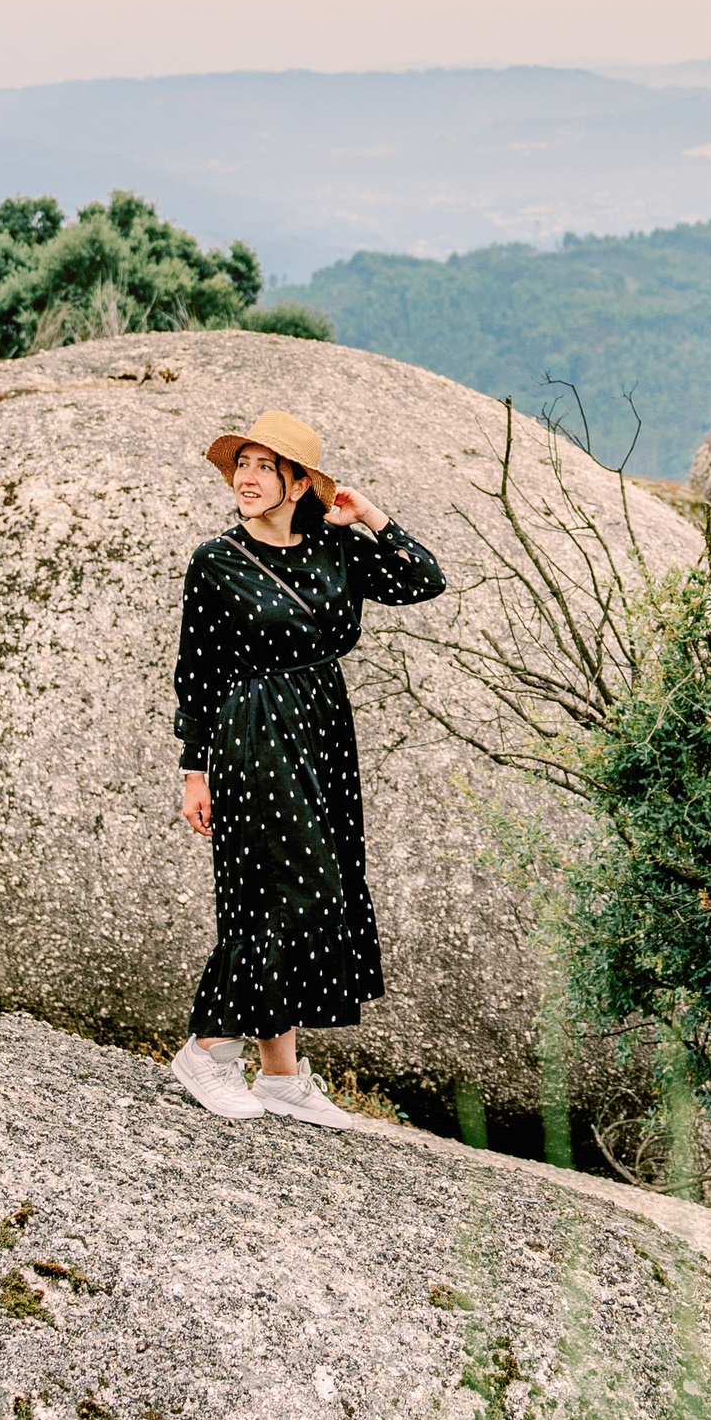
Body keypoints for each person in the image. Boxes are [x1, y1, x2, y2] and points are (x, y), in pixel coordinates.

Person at [167, 407, 447, 1125]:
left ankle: (281, 1076)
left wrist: (372, 517)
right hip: (251, 730)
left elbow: (424, 581)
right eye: (242, 465)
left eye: (266, 467)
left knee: (313, 888)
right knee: (288, 890)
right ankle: (207, 1049)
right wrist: (193, 769)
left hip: (322, 727)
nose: (248, 478)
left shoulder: (334, 546)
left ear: (299, 482)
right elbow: (197, 671)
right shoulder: (217, 561)